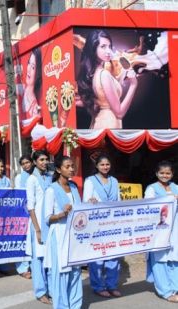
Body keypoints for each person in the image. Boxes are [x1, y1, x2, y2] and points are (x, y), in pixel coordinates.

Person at [77, 29, 138, 129]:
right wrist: (133, 85)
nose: (108, 51)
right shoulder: (104, 75)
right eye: (103, 47)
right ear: (93, 48)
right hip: (109, 125)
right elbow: (119, 113)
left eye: (109, 46)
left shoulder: (94, 74)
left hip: (100, 123)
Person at [43, 156, 82, 309]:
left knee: (75, 271)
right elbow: (47, 218)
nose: (72, 169)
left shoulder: (73, 187)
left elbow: (79, 210)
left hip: (73, 234)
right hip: (59, 234)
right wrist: (61, 214)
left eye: (72, 166)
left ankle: (75, 305)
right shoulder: (51, 190)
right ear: (59, 170)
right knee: (61, 273)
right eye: (67, 166)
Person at [83, 154, 122, 298]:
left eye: (107, 164)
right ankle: (98, 286)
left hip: (112, 223)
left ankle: (112, 285)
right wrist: (90, 201)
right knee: (97, 256)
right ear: (96, 166)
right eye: (102, 164)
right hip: (96, 224)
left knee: (113, 255)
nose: (105, 167)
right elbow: (85, 202)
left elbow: (118, 200)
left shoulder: (114, 181)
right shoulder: (90, 181)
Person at [144, 161, 178, 303]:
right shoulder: (151, 189)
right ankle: (165, 291)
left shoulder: (176, 187)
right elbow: (148, 207)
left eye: (168, 173)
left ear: (172, 174)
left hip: (175, 229)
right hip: (159, 230)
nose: (165, 175)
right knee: (160, 259)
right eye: (162, 173)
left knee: (174, 259)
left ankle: (175, 288)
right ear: (157, 173)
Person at [25, 150, 52, 304]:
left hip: (49, 222)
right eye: (41, 159)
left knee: (49, 257)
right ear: (35, 162)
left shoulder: (49, 177)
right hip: (38, 224)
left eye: (46, 159)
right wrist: (37, 229)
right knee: (38, 259)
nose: (44, 162)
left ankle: (51, 289)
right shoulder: (32, 180)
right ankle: (41, 291)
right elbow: (31, 206)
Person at [22, 48, 42, 121]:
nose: (29, 69)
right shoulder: (21, 92)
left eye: (33, 67)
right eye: (29, 63)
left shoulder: (36, 106)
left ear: (39, 72)